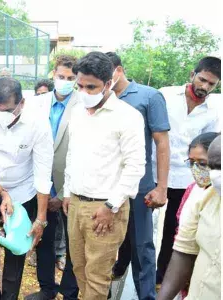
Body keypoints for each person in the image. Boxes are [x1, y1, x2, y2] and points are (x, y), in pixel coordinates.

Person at [62, 52, 146, 299]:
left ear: (108, 84)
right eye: (80, 86)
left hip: (105, 209)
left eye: (91, 87)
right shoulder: (77, 112)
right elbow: (71, 155)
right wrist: (68, 192)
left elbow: (135, 166)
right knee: (79, 270)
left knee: (98, 277)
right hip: (76, 204)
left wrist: (111, 206)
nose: (84, 92)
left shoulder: (127, 116)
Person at [0, 77, 53, 299]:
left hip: (22, 194)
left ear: (22, 103)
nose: (0, 115)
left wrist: (40, 219)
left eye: (6, 110)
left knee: (16, 250)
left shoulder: (38, 123)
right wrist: (1, 192)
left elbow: (43, 172)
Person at [105, 52, 171, 300]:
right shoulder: (99, 97)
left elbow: (162, 143)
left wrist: (161, 187)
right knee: (107, 244)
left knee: (142, 246)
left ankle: (145, 296)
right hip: (106, 186)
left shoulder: (148, 96)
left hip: (139, 185)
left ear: (118, 70)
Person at [154, 56, 221, 288]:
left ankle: (162, 274)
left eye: (211, 84)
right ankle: (123, 265)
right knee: (139, 224)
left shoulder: (214, 109)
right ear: (192, 75)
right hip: (155, 172)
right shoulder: (164, 95)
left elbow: (210, 145)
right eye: (202, 80)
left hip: (186, 176)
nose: (204, 87)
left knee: (175, 227)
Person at [24, 55, 80, 300]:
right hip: (41, 182)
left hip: (72, 185)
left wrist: (65, 191)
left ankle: (69, 291)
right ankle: (47, 289)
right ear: (53, 74)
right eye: (61, 77)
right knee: (44, 237)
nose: (65, 81)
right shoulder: (37, 103)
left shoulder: (83, 105)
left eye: (70, 78)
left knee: (73, 243)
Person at [158, 135, 221, 300]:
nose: (197, 169)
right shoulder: (199, 195)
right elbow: (184, 249)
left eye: (202, 163)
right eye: (192, 163)